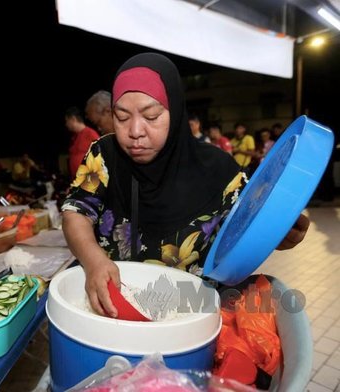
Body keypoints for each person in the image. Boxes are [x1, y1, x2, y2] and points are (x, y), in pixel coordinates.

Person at [61, 53, 309, 318]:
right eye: (121, 117)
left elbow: (248, 231)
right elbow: (75, 211)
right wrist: (94, 260)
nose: (134, 131)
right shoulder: (104, 155)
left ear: (176, 112)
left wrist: (277, 233)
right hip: (117, 307)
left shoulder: (220, 170)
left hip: (189, 315)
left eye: (151, 116)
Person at [65, 106, 100, 179]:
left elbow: (101, 158)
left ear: (73, 119)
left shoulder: (90, 134)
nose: (66, 124)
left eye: (67, 121)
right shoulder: (74, 137)